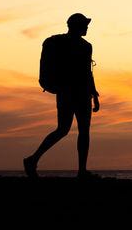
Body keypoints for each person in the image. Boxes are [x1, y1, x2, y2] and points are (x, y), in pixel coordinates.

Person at [23, 13, 101, 178]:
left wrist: (94, 94)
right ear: (75, 26)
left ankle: (81, 170)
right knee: (65, 129)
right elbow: (85, 72)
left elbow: (87, 72)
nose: (87, 28)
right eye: (84, 25)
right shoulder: (65, 44)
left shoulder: (86, 46)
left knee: (81, 131)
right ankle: (33, 159)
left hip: (80, 93)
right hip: (69, 92)